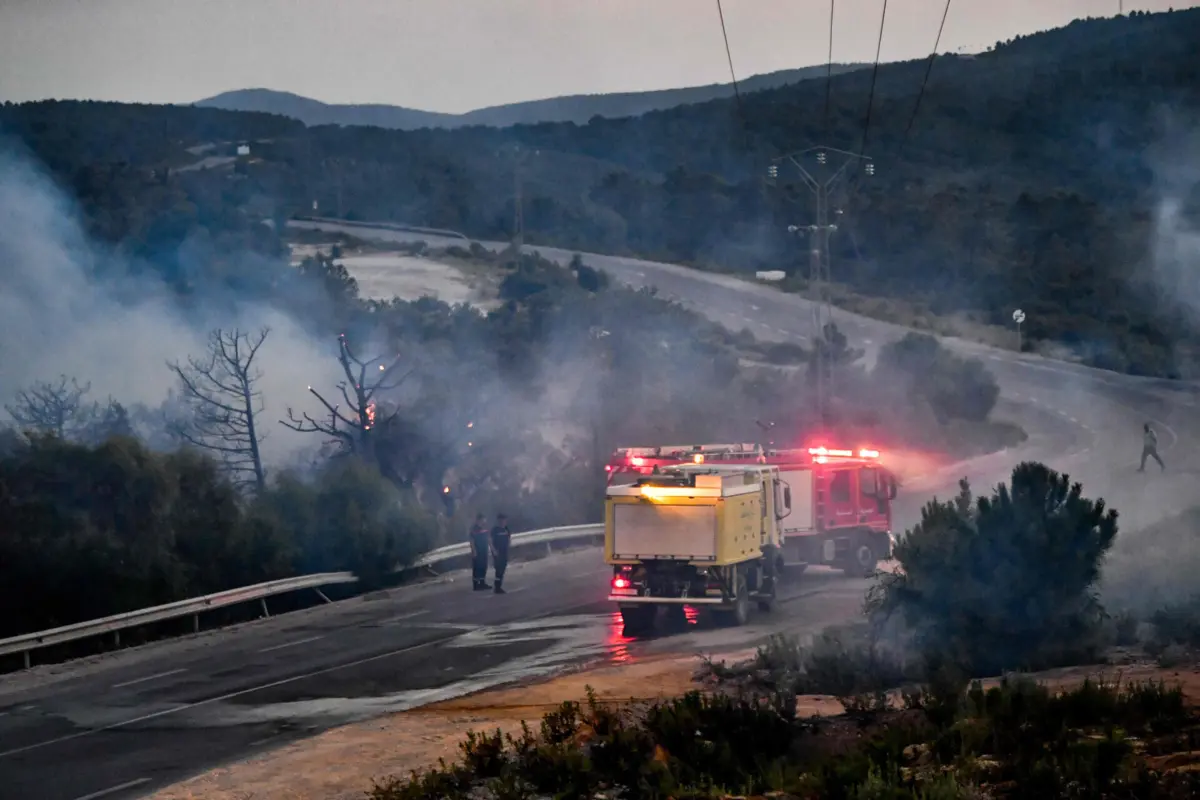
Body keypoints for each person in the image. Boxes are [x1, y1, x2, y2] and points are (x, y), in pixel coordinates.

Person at [490, 513, 512, 594]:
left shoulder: (506, 529)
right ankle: (497, 587)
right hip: (497, 552)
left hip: (504, 552)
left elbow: (509, 538)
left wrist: (509, 546)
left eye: (504, 520)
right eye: (502, 520)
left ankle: (499, 585)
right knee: (498, 569)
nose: (503, 521)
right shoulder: (495, 530)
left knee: (502, 568)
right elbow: (490, 541)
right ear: (499, 521)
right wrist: (494, 550)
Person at [468, 513, 491, 591]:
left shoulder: (484, 528)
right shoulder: (474, 529)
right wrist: (474, 551)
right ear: (479, 520)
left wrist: (490, 548)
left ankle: (482, 582)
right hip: (477, 551)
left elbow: (488, 538)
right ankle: (476, 585)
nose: (484, 521)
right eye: (483, 519)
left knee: (484, 566)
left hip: (484, 550)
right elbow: (472, 540)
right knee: (477, 567)